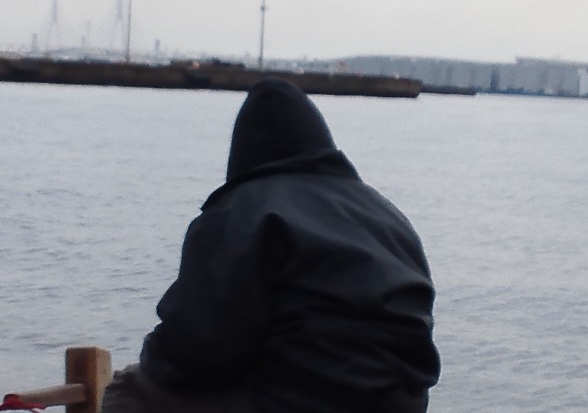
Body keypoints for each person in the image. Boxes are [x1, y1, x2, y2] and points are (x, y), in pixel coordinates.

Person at [102, 79, 440, 413]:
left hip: (296, 403)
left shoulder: (242, 210)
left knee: (131, 388)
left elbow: (197, 350)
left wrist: (156, 355)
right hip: (401, 404)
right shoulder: (385, 214)